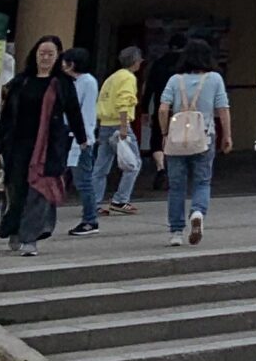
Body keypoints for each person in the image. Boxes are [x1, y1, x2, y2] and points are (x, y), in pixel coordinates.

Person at [0, 36, 86, 257]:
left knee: (39, 190)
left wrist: (82, 139)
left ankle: (30, 237)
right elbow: (7, 116)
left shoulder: (62, 84)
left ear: (58, 57)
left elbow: (73, 112)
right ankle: (14, 228)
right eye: (41, 53)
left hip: (47, 147)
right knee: (17, 190)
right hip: (17, 145)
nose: (45, 58)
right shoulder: (21, 81)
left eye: (50, 54)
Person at [154, 39, 231, 246]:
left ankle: (176, 232)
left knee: (176, 186)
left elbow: (162, 109)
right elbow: (223, 109)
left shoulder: (174, 80)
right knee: (202, 181)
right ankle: (197, 212)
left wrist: (164, 132)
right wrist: (227, 136)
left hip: (176, 138)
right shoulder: (214, 79)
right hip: (204, 137)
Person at [95, 46, 145, 214]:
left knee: (101, 167)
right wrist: (124, 126)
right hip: (119, 124)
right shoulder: (128, 78)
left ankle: (93, 202)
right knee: (133, 163)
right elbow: (124, 102)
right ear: (136, 61)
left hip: (105, 123)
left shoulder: (111, 78)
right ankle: (120, 199)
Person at [62, 48, 102, 235]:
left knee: (83, 181)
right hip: (67, 135)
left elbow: (86, 112)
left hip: (79, 138)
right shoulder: (71, 82)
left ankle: (90, 220)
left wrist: (83, 137)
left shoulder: (87, 82)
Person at [142, 37, 187, 189]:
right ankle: (176, 171)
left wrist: (144, 109)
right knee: (180, 139)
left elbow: (149, 88)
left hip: (161, 107)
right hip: (182, 109)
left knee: (158, 138)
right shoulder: (186, 65)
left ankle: (161, 167)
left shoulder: (159, 63)